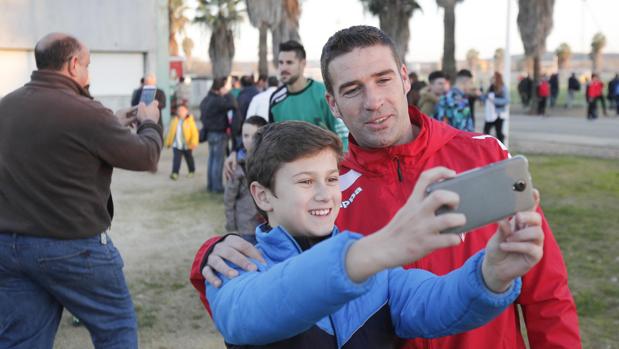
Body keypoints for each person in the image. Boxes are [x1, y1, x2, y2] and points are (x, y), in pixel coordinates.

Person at [192, 25, 581, 349]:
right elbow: (268, 272)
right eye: (352, 89)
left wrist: (490, 276)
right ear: (332, 103)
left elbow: (543, 286)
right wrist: (210, 252)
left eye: (383, 80)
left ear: (405, 79)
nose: (374, 101)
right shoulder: (333, 189)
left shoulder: (486, 155)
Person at [206, 120, 544, 348]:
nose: (325, 194)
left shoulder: (374, 269)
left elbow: (437, 302)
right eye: (306, 182)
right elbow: (249, 313)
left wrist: (492, 274)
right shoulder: (235, 263)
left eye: (332, 178)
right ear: (262, 194)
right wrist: (380, 247)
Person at [0, 33, 162, 348]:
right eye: (87, 65)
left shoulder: (5, 107)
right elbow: (146, 156)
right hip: (74, 246)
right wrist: (150, 122)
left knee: (21, 341)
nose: (89, 73)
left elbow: (52, 139)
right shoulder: (86, 111)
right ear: (73, 64)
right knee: (116, 331)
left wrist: (112, 123)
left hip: (11, 247)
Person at [269, 40, 349, 150]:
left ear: (303, 63)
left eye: (289, 62)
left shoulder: (323, 93)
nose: (283, 68)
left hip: (326, 165)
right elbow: (273, 142)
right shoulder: (276, 100)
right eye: (281, 62)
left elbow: (343, 137)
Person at [223, 116, 267, 244]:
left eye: (254, 136)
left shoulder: (270, 162)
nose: (248, 140)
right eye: (245, 136)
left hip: (267, 227)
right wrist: (231, 227)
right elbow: (229, 199)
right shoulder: (236, 167)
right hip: (246, 228)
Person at [200, 76, 235, 193]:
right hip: (219, 133)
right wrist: (227, 93)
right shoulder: (219, 100)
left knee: (211, 159)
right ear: (220, 88)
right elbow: (234, 104)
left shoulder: (205, 100)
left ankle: (210, 184)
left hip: (209, 132)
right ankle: (217, 187)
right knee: (218, 161)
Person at [165, 104, 199, 180]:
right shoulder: (175, 121)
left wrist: (194, 142)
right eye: (179, 110)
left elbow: (194, 133)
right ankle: (175, 173)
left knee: (189, 158)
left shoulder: (190, 121)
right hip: (177, 145)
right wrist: (168, 143)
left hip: (187, 145)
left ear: (187, 111)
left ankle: (191, 170)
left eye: (183, 110)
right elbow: (171, 133)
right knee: (176, 159)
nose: (180, 112)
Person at [482, 72, 510, 143]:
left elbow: (506, 100)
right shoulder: (491, 87)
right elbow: (486, 98)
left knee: (499, 133)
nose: (492, 80)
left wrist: (494, 100)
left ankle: (501, 148)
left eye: (493, 78)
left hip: (498, 114)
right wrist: (480, 95)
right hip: (490, 114)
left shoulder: (503, 88)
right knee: (486, 132)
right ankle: (486, 147)